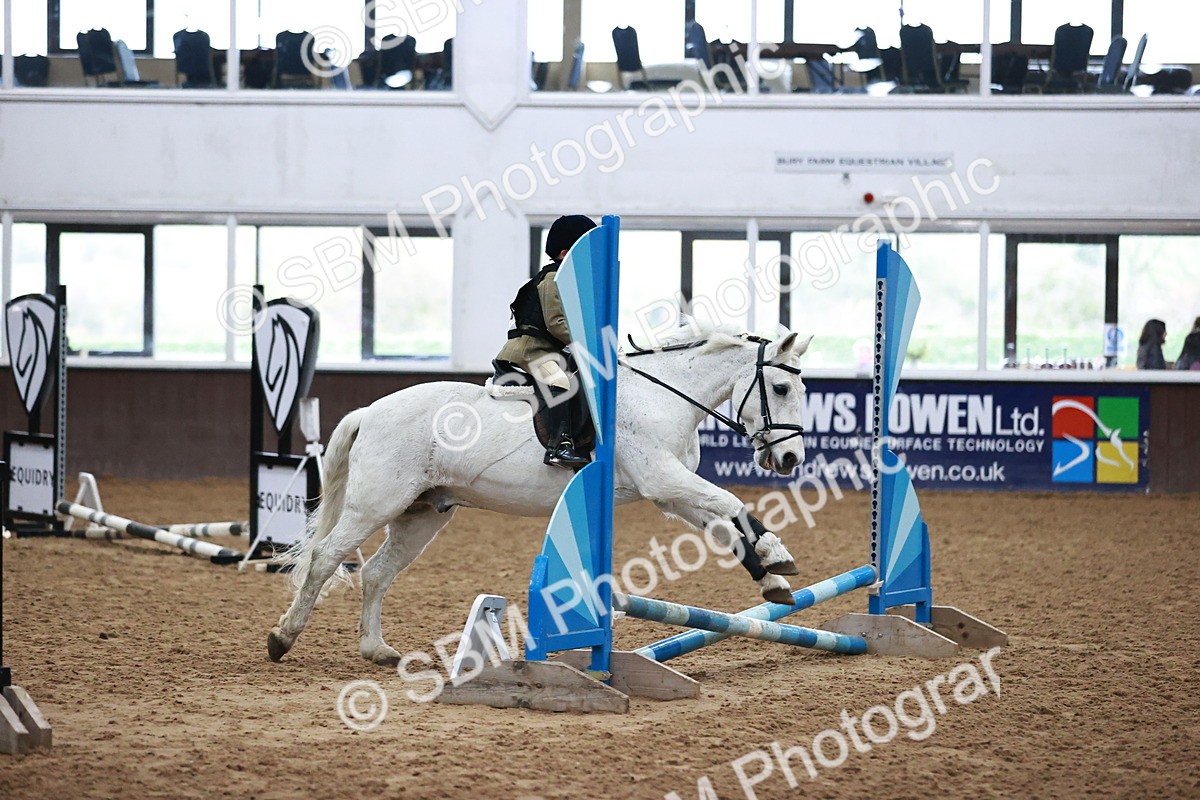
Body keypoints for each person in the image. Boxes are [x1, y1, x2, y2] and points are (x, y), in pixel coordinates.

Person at [493, 214, 597, 468]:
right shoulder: (552, 278)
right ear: (564, 253)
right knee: (560, 380)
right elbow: (556, 324)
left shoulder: (565, 279)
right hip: (529, 351)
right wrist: (589, 344)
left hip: (544, 349)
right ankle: (558, 446)